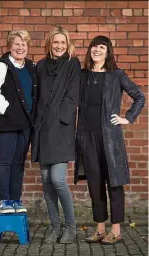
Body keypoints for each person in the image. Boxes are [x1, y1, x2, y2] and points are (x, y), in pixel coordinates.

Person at [74, 35, 145, 245]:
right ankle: (100, 230)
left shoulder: (116, 75)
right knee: (95, 185)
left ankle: (116, 231)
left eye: (102, 47)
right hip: (87, 137)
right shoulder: (83, 75)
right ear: (90, 50)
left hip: (110, 138)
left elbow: (139, 96)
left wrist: (127, 118)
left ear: (108, 51)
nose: (97, 50)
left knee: (114, 184)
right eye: (94, 47)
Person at [0, 30, 37, 214]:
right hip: (3, 122)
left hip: (24, 123)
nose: (20, 47)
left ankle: (15, 200)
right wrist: (7, 110)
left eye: (23, 44)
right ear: (10, 46)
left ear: (28, 47)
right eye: (16, 44)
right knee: (5, 160)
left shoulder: (30, 67)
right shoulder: (0, 67)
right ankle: (4, 201)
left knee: (18, 162)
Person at [31, 26, 81, 244]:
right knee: (45, 180)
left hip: (61, 128)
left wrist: (62, 116)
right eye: (55, 42)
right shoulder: (40, 65)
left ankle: (71, 227)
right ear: (50, 43)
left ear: (67, 43)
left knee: (57, 179)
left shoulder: (73, 63)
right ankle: (54, 227)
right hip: (41, 128)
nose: (59, 46)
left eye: (63, 42)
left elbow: (73, 95)